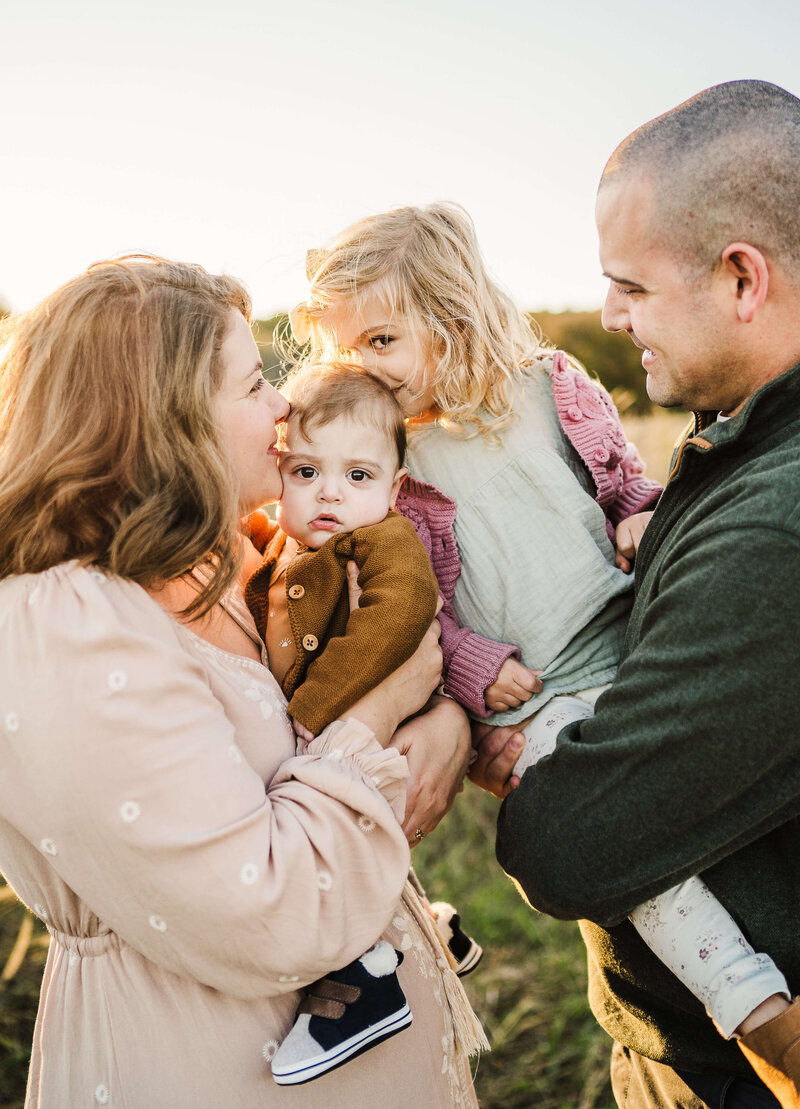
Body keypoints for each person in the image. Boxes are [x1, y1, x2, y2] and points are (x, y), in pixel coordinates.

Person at [294, 197, 799, 1097]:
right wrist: (478, 669)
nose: (359, 368)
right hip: (540, 697)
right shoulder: (393, 461)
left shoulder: (551, 386)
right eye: (344, 350)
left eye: (380, 342)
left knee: (689, 805)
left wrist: (644, 517)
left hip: (633, 639)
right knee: (648, 863)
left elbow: (624, 481)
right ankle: (760, 1013)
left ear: (451, 319)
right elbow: (416, 607)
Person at [0, 255, 483, 1108]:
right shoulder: (66, 623)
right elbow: (271, 908)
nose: (285, 407)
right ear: (164, 415)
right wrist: (391, 700)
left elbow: (320, 711)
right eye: (256, 382)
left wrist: (442, 717)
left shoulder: (238, 556)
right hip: (209, 1069)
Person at [470, 79, 800, 1109]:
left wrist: (520, 760)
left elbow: (574, 838)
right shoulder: (744, 449)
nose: (609, 317)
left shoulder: (775, 523)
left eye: (630, 287)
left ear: (740, 278)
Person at [242, 359, 498, 1082]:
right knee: (359, 848)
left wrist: (310, 717)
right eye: (305, 472)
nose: (329, 492)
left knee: (342, 845)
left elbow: (400, 618)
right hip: (349, 740)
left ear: (392, 490)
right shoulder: (281, 547)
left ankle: (367, 983)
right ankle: (433, 928)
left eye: (358, 476)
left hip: (371, 735)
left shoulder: (381, 544)